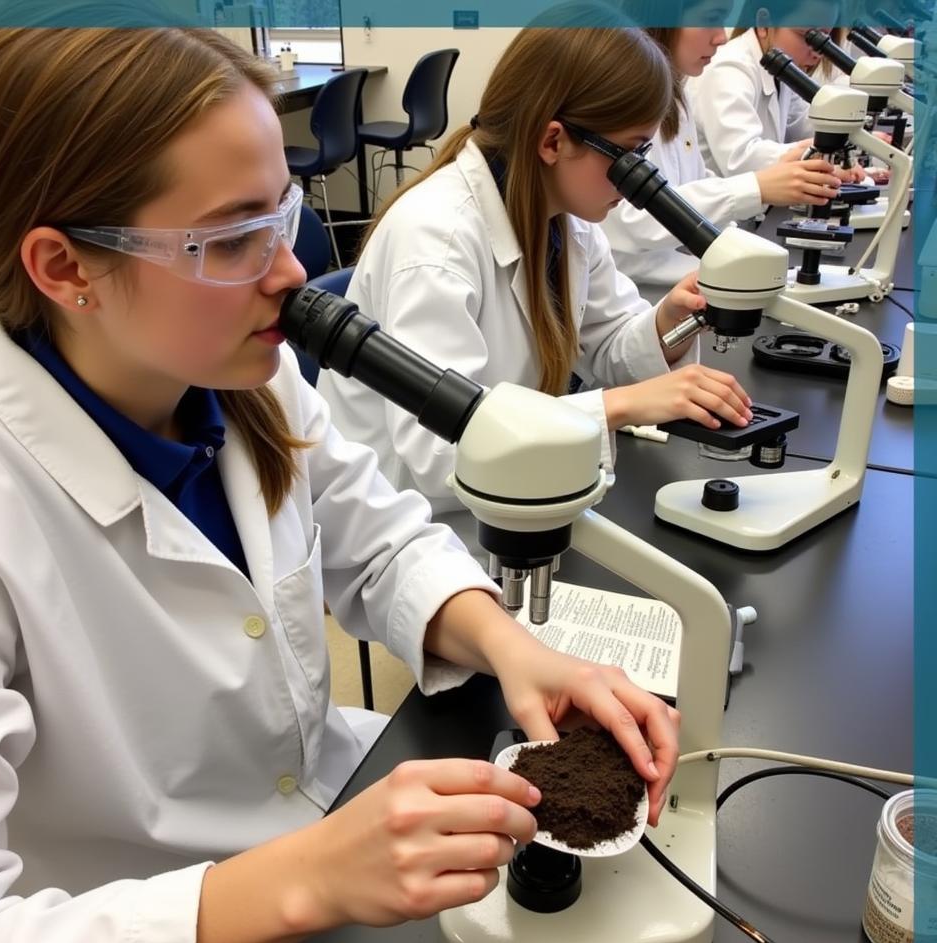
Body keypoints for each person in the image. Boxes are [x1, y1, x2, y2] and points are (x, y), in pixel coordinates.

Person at [0, 15, 681, 943]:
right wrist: (304, 880)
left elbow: (377, 542)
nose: (289, 274)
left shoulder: (249, 383)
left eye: (282, 216)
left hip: (319, 824)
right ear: (66, 269)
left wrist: (513, 647)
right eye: (235, 238)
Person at [317, 11, 753, 554]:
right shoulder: (437, 240)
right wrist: (618, 406)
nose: (642, 178)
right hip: (425, 529)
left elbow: (609, 347)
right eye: (633, 154)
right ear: (554, 141)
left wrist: (672, 320)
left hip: (517, 497)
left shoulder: (564, 219)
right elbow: (436, 451)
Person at [602, 10, 846, 286]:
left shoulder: (675, 92)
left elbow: (694, 177)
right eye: (709, 19)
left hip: (684, 267)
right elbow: (634, 218)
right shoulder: (724, 69)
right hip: (648, 288)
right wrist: (756, 187)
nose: (721, 37)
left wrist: (807, 157)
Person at [687, 2, 857, 176]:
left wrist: (852, 135)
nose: (817, 52)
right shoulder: (728, 69)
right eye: (809, 36)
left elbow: (803, 123)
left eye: (825, 38)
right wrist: (817, 155)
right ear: (764, 23)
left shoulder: (780, 70)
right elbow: (741, 159)